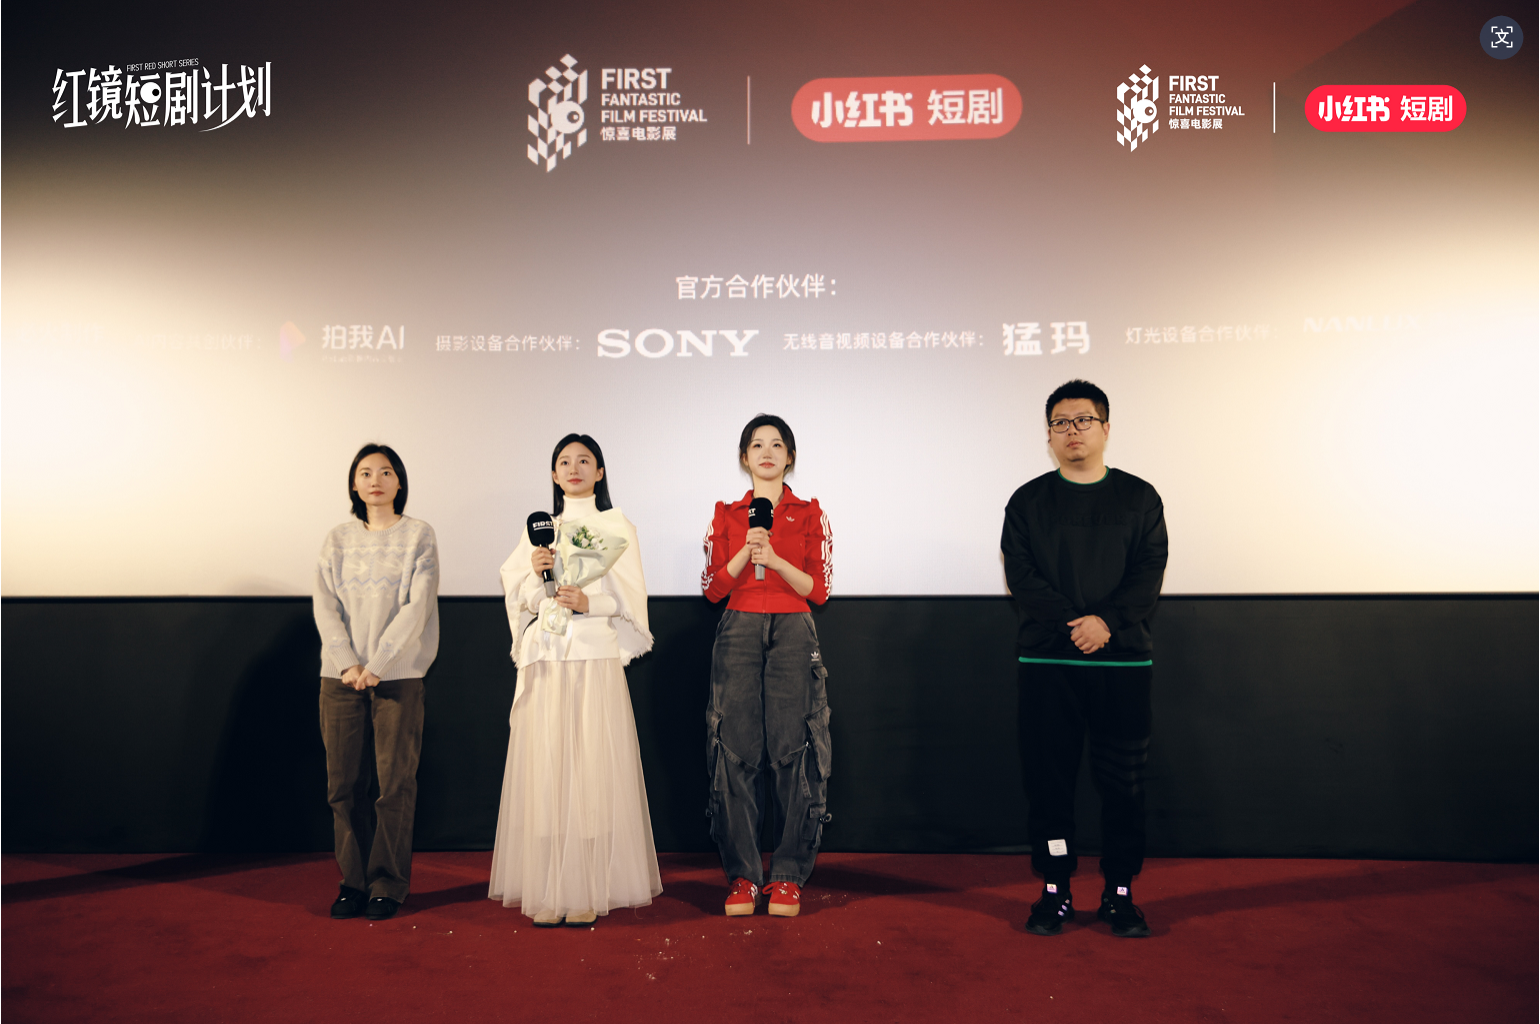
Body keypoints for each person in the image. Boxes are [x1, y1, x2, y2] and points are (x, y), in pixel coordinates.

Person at [1001, 379, 1168, 939]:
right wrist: (1074, 625)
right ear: (1048, 434)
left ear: (1105, 428)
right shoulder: (1028, 501)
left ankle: (1120, 891)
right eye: (1060, 423)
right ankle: (1055, 888)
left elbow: (1148, 572)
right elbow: (1022, 576)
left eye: (1083, 420)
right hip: (1048, 665)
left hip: (1123, 666)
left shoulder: (1140, 498)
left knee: (1124, 784)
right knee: (1049, 784)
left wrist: (1107, 624)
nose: (1071, 431)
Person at [489, 434, 660, 926]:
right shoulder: (541, 530)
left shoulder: (616, 525)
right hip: (547, 660)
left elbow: (630, 601)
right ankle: (549, 890)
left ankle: (586, 889)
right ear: (553, 474)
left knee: (591, 771)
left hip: (592, 660)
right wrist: (534, 574)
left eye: (585, 460)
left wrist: (590, 603)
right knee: (548, 771)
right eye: (564, 461)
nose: (574, 468)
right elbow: (521, 596)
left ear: (600, 471)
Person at [700, 414, 833, 918]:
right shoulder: (726, 513)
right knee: (734, 748)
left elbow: (819, 590)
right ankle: (743, 875)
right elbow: (712, 588)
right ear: (744, 458)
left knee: (795, 747)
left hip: (794, 628)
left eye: (777, 445)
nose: (767, 453)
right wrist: (745, 554)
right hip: (738, 626)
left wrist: (774, 559)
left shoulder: (810, 512)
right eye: (757, 445)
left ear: (790, 457)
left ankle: (788, 875)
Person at [313, 443, 439, 922]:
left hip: (398, 677)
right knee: (343, 787)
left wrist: (380, 662)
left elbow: (417, 606)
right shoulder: (337, 539)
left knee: (394, 786)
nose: (375, 481)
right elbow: (325, 605)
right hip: (340, 677)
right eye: (365, 473)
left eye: (386, 472)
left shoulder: (419, 535)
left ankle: (387, 884)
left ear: (399, 482)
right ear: (354, 484)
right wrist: (347, 662)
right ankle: (353, 882)